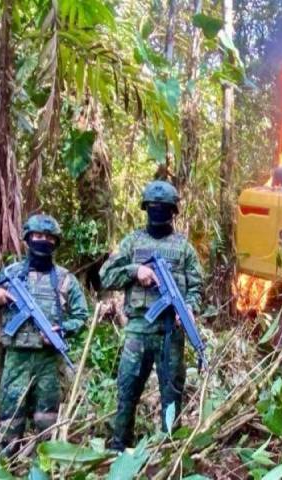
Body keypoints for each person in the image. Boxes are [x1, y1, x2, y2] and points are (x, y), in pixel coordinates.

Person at [100, 180, 204, 451]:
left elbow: (196, 285)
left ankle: (168, 450)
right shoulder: (132, 243)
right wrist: (136, 271)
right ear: (146, 208)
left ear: (173, 211)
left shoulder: (183, 248)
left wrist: (190, 307)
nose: (159, 212)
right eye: (154, 207)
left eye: (165, 208)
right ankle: (118, 449)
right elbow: (106, 275)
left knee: (172, 393)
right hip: (137, 330)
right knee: (127, 391)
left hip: (171, 332)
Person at [0, 214, 89, 451]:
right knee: (10, 419)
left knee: (46, 419)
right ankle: (7, 461)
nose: (43, 241)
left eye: (49, 237)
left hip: (48, 360)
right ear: (28, 238)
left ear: (56, 242)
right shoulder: (11, 274)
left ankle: (44, 464)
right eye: (38, 236)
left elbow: (81, 317)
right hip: (16, 358)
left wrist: (62, 330)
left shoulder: (65, 280)